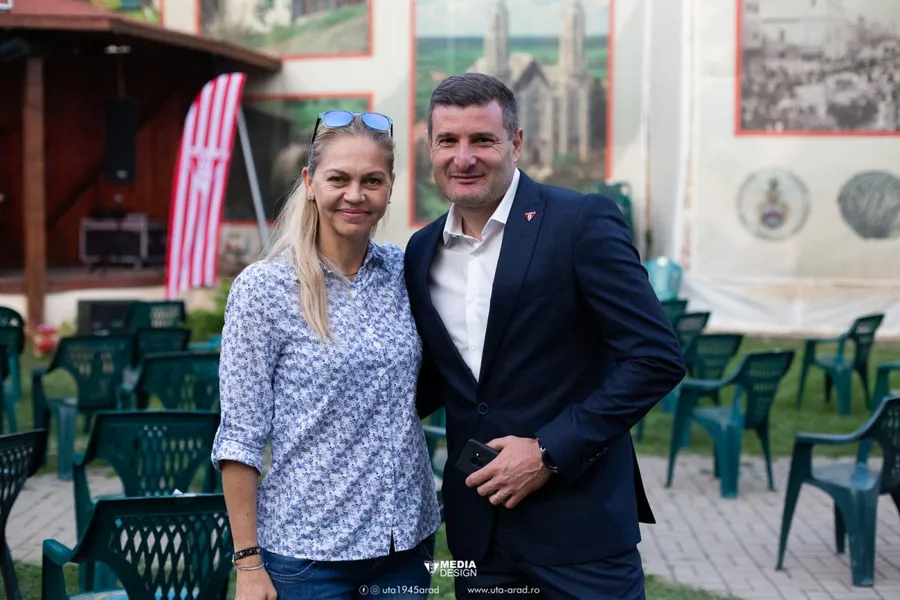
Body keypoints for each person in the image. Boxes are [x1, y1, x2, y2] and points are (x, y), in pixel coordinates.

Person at [405, 73, 687, 599]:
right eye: (448, 141)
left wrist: (547, 452)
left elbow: (655, 358)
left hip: (580, 531)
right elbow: (441, 381)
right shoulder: (421, 251)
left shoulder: (580, 221)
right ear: (430, 147)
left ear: (515, 142)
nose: (463, 157)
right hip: (478, 535)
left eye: (482, 139)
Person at [212, 110, 441, 600]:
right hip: (309, 555)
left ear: (389, 189)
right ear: (310, 183)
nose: (355, 194)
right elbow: (239, 437)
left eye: (372, 180)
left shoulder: (404, 272)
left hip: (405, 543)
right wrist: (248, 563)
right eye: (339, 179)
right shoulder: (264, 290)